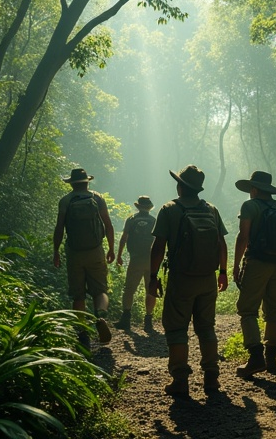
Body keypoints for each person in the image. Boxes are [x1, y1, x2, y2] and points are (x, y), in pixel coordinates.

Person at [148, 165, 228, 396]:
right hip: (208, 279)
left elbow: (158, 247)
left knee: (176, 329)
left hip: (181, 279)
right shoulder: (211, 209)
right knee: (206, 327)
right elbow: (221, 244)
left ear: (180, 185)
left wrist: (153, 278)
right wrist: (223, 272)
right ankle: (211, 378)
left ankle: (180, 380)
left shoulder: (169, 209)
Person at [53, 168, 115, 349]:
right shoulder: (97, 198)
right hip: (95, 251)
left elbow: (59, 228)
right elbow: (108, 225)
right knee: (101, 290)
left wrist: (56, 251)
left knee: (78, 294)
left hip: (74, 253)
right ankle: (101, 316)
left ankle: (81, 332)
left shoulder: (65, 201)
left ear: (71, 183)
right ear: (87, 182)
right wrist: (111, 248)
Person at [233, 171, 276, 377]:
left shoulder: (250, 206)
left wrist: (236, 265)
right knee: (273, 310)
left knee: (247, 310)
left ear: (254, 189)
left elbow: (243, 236)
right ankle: (272, 359)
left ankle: (256, 358)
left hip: (257, 263)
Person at [115, 195, 157, 332]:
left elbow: (124, 238)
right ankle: (148, 320)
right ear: (149, 208)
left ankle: (126, 318)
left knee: (129, 289)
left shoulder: (132, 219)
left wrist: (119, 255)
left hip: (136, 259)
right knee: (150, 289)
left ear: (138, 206)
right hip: (151, 259)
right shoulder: (153, 220)